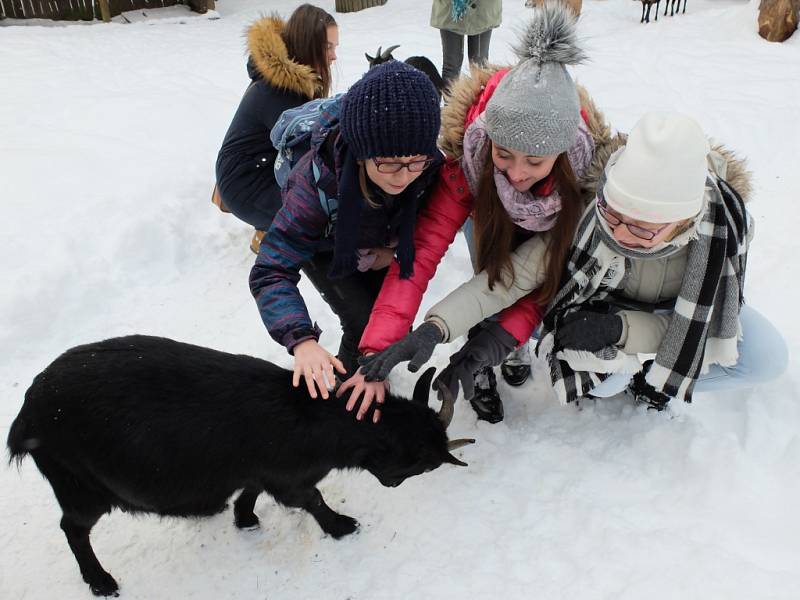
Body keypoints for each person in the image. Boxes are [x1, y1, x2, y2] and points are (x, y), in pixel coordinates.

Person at [341, 2, 621, 423]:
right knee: (491, 272)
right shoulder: (468, 162)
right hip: (487, 215)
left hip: (553, 229)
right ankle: (483, 352)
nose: (517, 173)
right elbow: (420, 256)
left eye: (536, 161)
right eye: (504, 154)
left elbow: (541, 281)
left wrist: (496, 341)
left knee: (537, 284)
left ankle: (504, 345)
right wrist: (379, 347)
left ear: (562, 156)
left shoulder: (584, 184)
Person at [535, 111, 787, 408]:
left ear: (683, 220)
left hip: (680, 308)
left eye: (642, 227)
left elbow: (705, 319)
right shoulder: (598, 208)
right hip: (607, 302)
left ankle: (656, 380)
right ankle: (622, 376)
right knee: (603, 381)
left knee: (766, 358)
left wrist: (622, 329)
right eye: (614, 216)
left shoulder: (724, 229)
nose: (620, 233)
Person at [249, 61, 443, 421]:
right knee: (361, 320)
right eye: (388, 163)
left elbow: (430, 220)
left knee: (386, 315)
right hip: (327, 243)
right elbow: (271, 268)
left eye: (415, 162)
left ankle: (371, 375)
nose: (403, 176)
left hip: (380, 238)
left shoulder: (427, 166)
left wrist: (392, 250)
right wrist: (301, 340)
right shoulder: (315, 185)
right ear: (360, 150)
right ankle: (343, 409)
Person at [215, 5, 338, 253]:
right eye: (328, 47)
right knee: (323, 223)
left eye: (335, 47)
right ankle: (270, 232)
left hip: (257, 170)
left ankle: (270, 224)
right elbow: (310, 158)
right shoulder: (281, 92)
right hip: (246, 185)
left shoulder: (289, 82)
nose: (334, 56)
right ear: (307, 45)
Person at [431, 0, 502, 88]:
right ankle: (450, 101)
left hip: (483, 11)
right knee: (452, 65)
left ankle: (481, 101)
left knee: (480, 66)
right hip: (450, 10)